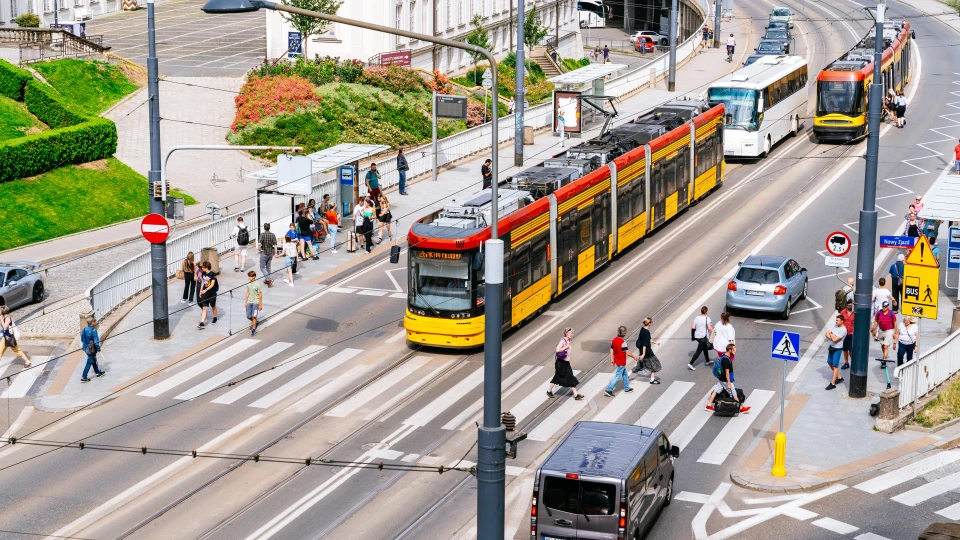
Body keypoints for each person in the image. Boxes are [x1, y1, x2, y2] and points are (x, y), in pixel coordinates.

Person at [706, 344, 750, 412]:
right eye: (734, 348)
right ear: (730, 350)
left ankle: (709, 405)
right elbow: (727, 373)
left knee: (716, 391)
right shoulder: (726, 360)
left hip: (721, 379)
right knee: (733, 393)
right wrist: (729, 383)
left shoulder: (724, 356)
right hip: (725, 380)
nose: (735, 349)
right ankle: (740, 408)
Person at [548, 328, 584, 400]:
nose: (572, 335)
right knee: (564, 377)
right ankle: (576, 395)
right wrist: (565, 347)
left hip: (565, 363)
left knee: (564, 376)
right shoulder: (563, 340)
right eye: (571, 333)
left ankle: (549, 391)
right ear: (567, 333)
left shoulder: (568, 340)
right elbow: (557, 350)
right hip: (560, 363)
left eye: (572, 333)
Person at [604, 326, 637, 397]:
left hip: (617, 360)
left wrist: (612, 359)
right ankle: (609, 389)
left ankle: (627, 388)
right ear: (624, 334)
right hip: (621, 362)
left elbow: (611, 349)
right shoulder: (623, 342)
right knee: (618, 376)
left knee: (625, 374)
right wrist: (634, 357)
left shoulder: (614, 340)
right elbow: (627, 353)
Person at [633, 317, 662, 384]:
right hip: (648, 352)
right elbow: (645, 344)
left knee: (641, 364)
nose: (651, 324)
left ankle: (629, 374)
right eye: (651, 323)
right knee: (655, 364)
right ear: (649, 323)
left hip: (644, 351)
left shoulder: (642, 329)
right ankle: (652, 380)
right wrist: (643, 354)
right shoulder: (647, 332)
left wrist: (655, 342)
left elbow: (646, 340)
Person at [825, 314, 847, 390]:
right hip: (831, 347)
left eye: (837, 320)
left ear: (842, 321)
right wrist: (831, 335)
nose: (836, 321)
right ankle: (839, 377)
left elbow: (835, 339)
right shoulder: (834, 325)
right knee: (829, 362)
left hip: (837, 349)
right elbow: (826, 333)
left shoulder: (843, 330)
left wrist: (830, 334)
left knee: (835, 366)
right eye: (836, 320)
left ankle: (832, 383)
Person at [79, 317, 105, 382]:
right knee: (90, 361)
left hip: (85, 348)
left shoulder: (84, 330)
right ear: (92, 323)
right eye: (95, 321)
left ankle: (98, 373)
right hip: (92, 349)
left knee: (93, 359)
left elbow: (82, 339)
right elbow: (96, 341)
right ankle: (84, 377)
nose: (95, 322)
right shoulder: (94, 331)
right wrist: (98, 348)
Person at [688, 306, 713, 370]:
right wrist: (714, 333)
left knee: (705, 348)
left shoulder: (697, 318)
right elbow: (710, 328)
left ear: (701, 311)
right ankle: (690, 363)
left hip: (697, 336)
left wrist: (693, 337)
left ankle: (707, 361)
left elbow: (693, 327)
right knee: (698, 351)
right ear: (706, 312)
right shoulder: (707, 318)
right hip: (703, 337)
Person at [196, 261, 219, 329]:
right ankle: (202, 322)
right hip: (205, 293)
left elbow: (212, 284)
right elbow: (203, 282)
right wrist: (200, 291)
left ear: (206, 267)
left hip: (212, 293)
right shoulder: (203, 273)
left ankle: (215, 317)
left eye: (203, 267)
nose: (202, 268)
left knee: (213, 306)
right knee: (204, 307)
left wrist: (205, 290)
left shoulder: (212, 274)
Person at [258, 223, 278, 288]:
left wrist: (259, 250)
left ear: (264, 228)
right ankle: (267, 280)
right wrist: (275, 253)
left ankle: (269, 279)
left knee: (262, 267)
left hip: (264, 253)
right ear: (269, 228)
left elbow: (259, 244)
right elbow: (275, 245)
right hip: (270, 253)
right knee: (268, 267)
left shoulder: (262, 234)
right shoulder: (273, 235)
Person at [244, 270, 263, 336]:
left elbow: (260, 295)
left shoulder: (257, 284)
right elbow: (247, 293)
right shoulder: (248, 284)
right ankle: (254, 322)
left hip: (256, 302)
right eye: (248, 276)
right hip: (249, 301)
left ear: (254, 277)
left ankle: (254, 329)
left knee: (254, 316)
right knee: (248, 316)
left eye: (250, 276)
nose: (248, 278)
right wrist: (245, 302)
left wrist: (260, 305)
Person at [840, 299, 855, 369]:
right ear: (846, 305)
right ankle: (846, 362)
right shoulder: (843, 312)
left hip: (851, 333)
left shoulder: (855, 312)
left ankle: (853, 362)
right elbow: (840, 321)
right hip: (844, 333)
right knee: (845, 349)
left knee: (851, 349)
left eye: (851, 305)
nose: (850, 306)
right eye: (849, 305)